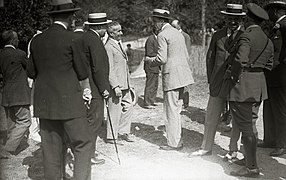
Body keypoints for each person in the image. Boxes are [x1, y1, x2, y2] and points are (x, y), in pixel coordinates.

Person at [27, 0, 93, 179]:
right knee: (82, 145)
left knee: (51, 152)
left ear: (52, 18)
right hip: (70, 103)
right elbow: (82, 72)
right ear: (71, 17)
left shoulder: (37, 40)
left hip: (45, 105)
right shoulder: (74, 38)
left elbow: (31, 72)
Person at [191, 4, 245, 158]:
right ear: (225, 18)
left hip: (236, 83)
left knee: (236, 119)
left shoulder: (245, 36)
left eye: (236, 19)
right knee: (211, 116)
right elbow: (210, 58)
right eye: (230, 18)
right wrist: (211, 80)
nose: (232, 22)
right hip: (218, 83)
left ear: (241, 19)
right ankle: (206, 147)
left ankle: (233, 150)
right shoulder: (217, 35)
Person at [227, 3, 274, 177]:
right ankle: (248, 158)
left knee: (246, 127)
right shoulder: (268, 39)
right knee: (251, 123)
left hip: (243, 86)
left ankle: (251, 167)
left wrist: (233, 76)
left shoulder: (246, 36)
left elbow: (240, 60)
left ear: (247, 19)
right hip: (258, 85)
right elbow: (269, 64)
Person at [145, 9, 194, 151]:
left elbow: (161, 58)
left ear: (161, 21)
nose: (154, 24)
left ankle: (173, 143)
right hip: (182, 75)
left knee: (170, 111)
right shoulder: (178, 33)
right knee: (177, 109)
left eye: (155, 21)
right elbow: (186, 55)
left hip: (171, 76)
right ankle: (177, 139)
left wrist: (149, 60)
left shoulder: (162, 35)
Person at [75, 12, 111, 165]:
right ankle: (88, 155)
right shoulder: (94, 40)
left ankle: (86, 153)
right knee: (94, 123)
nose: (107, 29)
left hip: (85, 85)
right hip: (95, 88)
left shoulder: (82, 37)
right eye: (106, 26)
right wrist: (104, 88)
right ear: (100, 26)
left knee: (88, 121)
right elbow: (98, 68)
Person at [0, 30, 31, 158]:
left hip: (6, 93)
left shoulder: (1, 54)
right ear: (13, 40)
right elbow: (31, 69)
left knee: (12, 123)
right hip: (19, 94)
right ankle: (8, 149)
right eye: (17, 39)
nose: (18, 41)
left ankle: (8, 148)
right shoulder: (20, 54)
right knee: (25, 121)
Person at [262, 0, 286, 157]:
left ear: (276, 11)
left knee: (280, 110)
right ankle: (270, 139)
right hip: (272, 75)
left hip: (281, 76)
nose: (268, 14)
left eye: (269, 11)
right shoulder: (278, 26)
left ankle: (281, 144)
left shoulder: (284, 26)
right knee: (269, 107)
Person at [105, 21, 134, 143]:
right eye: (118, 31)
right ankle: (111, 136)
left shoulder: (119, 43)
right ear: (111, 33)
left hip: (125, 83)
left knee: (128, 106)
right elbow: (110, 69)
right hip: (116, 84)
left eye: (121, 30)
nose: (121, 33)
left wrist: (128, 83)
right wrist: (115, 86)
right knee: (114, 110)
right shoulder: (108, 47)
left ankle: (123, 131)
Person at [171, 19, 193, 109]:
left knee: (184, 83)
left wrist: (184, 62)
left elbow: (187, 51)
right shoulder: (172, 36)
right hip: (175, 63)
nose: (173, 29)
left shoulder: (185, 36)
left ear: (179, 26)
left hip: (183, 63)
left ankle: (186, 102)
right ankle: (178, 100)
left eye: (174, 27)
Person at [143, 27, 160, 109]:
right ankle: (147, 102)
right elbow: (149, 53)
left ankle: (152, 100)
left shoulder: (156, 39)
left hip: (155, 66)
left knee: (155, 84)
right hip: (150, 66)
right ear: (156, 30)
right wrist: (160, 54)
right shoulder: (151, 39)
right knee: (150, 84)